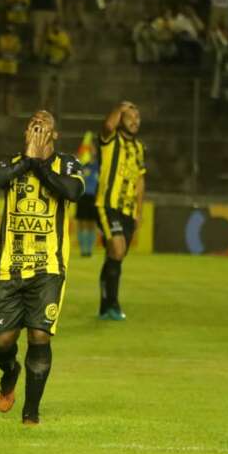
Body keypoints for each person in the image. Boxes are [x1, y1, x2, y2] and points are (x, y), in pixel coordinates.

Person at [0, 110, 84, 425]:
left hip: (48, 268)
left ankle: (31, 412)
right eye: (33, 125)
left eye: (45, 125)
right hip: (10, 269)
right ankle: (10, 372)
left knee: (39, 336)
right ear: (25, 133)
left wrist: (38, 163)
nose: (38, 129)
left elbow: (73, 192)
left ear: (55, 135)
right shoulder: (11, 164)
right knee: (2, 342)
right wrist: (26, 160)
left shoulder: (69, 164)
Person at [96, 101, 146, 321]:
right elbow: (107, 126)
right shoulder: (111, 140)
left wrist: (139, 211)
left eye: (137, 118)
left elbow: (140, 180)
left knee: (117, 256)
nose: (135, 122)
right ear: (121, 120)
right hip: (108, 205)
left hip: (128, 209)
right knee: (117, 249)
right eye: (130, 118)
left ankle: (106, 305)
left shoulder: (139, 148)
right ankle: (113, 305)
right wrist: (119, 108)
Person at [75, 131, 100, 258]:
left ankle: (89, 250)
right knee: (82, 223)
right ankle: (83, 249)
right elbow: (78, 158)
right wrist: (85, 145)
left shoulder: (96, 166)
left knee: (91, 224)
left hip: (93, 197)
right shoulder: (81, 164)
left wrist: (90, 144)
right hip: (82, 195)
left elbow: (96, 154)